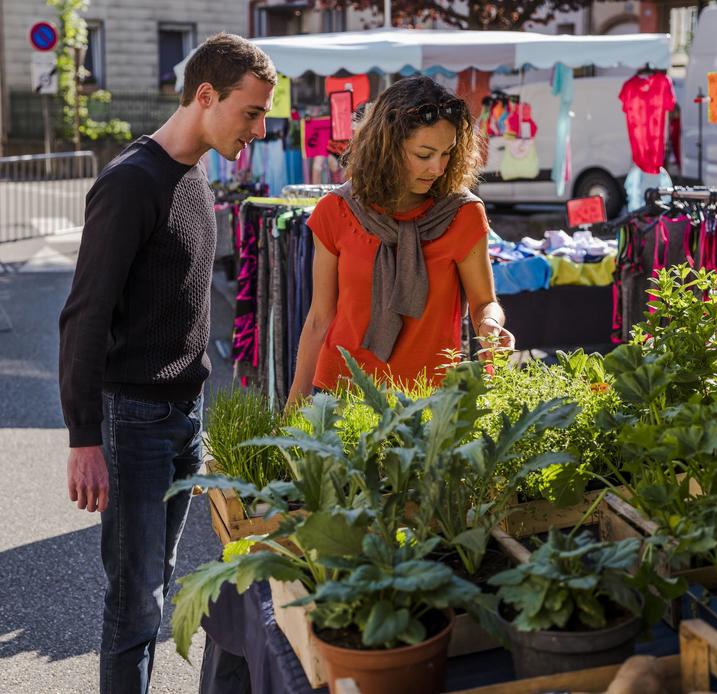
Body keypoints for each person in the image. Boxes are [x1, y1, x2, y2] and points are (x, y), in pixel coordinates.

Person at [58, 33, 276, 693]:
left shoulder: (197, 170)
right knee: (136, 607)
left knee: (157, 587)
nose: (260, 130)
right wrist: (84, 438)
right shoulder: (130, 184)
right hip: (133, 422)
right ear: (206, 96)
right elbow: (84, 317)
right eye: (251, 112)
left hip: (184, 416)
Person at [287, 76, 514, 405]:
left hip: (429, 399)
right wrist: (295, 402)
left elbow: (483, 302)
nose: (437, 167)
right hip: (342, 395)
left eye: (447, 153)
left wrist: (491, 324)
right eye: (424, 154)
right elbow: (320, 316)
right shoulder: (335, 211)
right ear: (387, 148)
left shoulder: (463, 213)